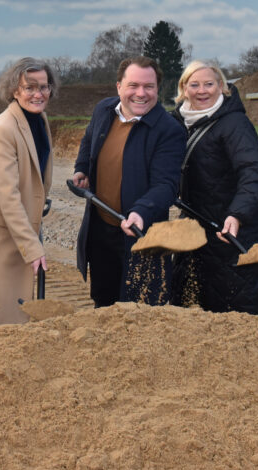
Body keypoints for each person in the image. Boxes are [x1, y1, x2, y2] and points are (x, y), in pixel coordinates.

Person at [72, 56, 185, 307]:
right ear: (119, 87)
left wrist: (141, 211)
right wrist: (82, 168)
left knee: (138, 310)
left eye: (149, 86)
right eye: (133, 85)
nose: (141, 93)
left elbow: (166, 185)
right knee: (103, 302)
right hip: (101, 229)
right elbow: (89, 140)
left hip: (142, 235)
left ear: (158, 89)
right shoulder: (103, 110)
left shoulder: (169, 130)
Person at [169, 60, 258, 316]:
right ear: (183, 88)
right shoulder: (176, 122)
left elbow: (254, 173)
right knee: (189, 304)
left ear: (221, 86)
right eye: (194, 85)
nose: (202, 91)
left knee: (236, 309)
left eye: (209, 84)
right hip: (194, 227)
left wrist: (237, 214)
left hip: (231, 232)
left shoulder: (235, 124)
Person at [0, 57, 56, 326]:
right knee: (1, 320)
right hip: (0, 239)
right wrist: (32, 246)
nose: (38, 94)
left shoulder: (38, 119)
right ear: (14, 90)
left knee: (19, 316)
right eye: (30, 87)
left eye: (44, 87)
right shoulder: (3, 131)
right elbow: (8, 197)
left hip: (22, 229)